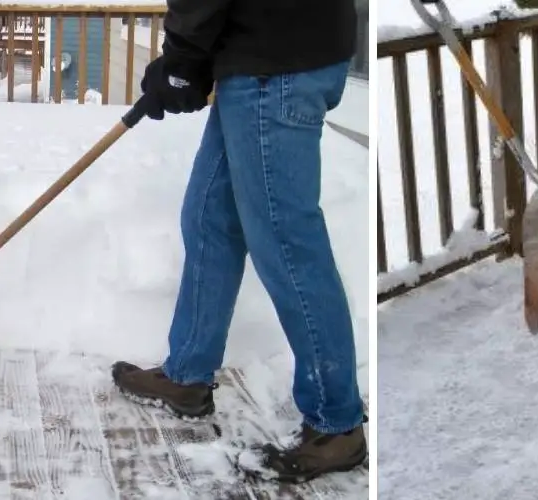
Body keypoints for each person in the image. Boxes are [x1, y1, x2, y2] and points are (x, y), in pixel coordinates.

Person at [109, 0, 366, 484]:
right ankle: (188, 374)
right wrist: (195, 62)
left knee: (288, 243)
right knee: (210, 218)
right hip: (269, 50)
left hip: (277, 60)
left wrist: (184, 61)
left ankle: (338, 423)